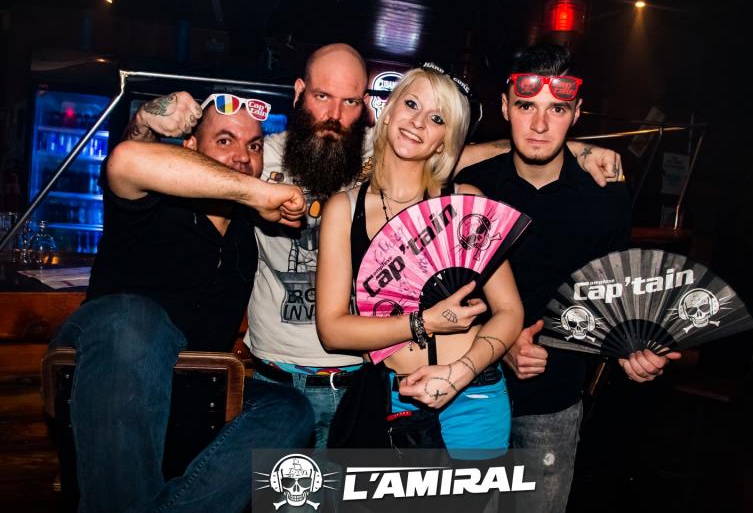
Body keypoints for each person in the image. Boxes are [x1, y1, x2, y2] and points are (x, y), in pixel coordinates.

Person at [123, 43, 624, 449]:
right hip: (312, 386)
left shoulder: (455, 194)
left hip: (431, 390)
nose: (335, 113)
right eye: (323, 96)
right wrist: (154, 127)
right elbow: (141, 164)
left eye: (350, 101)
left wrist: (572, 147)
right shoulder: (260, 157)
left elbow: (507, 301)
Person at [51, 95, 314, 513]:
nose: (242, 157)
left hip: (194, 396)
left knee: (290, 409)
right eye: (224, 140)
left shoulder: (248, 234)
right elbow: (126, 159)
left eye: (254, 145)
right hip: (109, 378)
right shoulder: (153, 205)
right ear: (190, 147)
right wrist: (258, 192)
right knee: (135, 318)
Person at [454, 43, 680, 512]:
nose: (539, 125)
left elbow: (610, 294)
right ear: (504, 108)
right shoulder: (474, 184)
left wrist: (633, 349)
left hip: (553, 402)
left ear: (576, 113)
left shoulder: (605, 195)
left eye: (556, 110)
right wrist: (499, 341)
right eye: (526, 107)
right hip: (468, 392)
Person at [315, 64, 523, 459]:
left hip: (474, 395)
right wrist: (424, 322)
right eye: (411, 104)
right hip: (396, 399)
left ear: (445, 141)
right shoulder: (344, 209)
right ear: (387, 112)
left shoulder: (466, 201)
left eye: (437, 118)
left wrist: (460, 372)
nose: (418, 122)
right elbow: (332, 329)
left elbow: (510, 311)